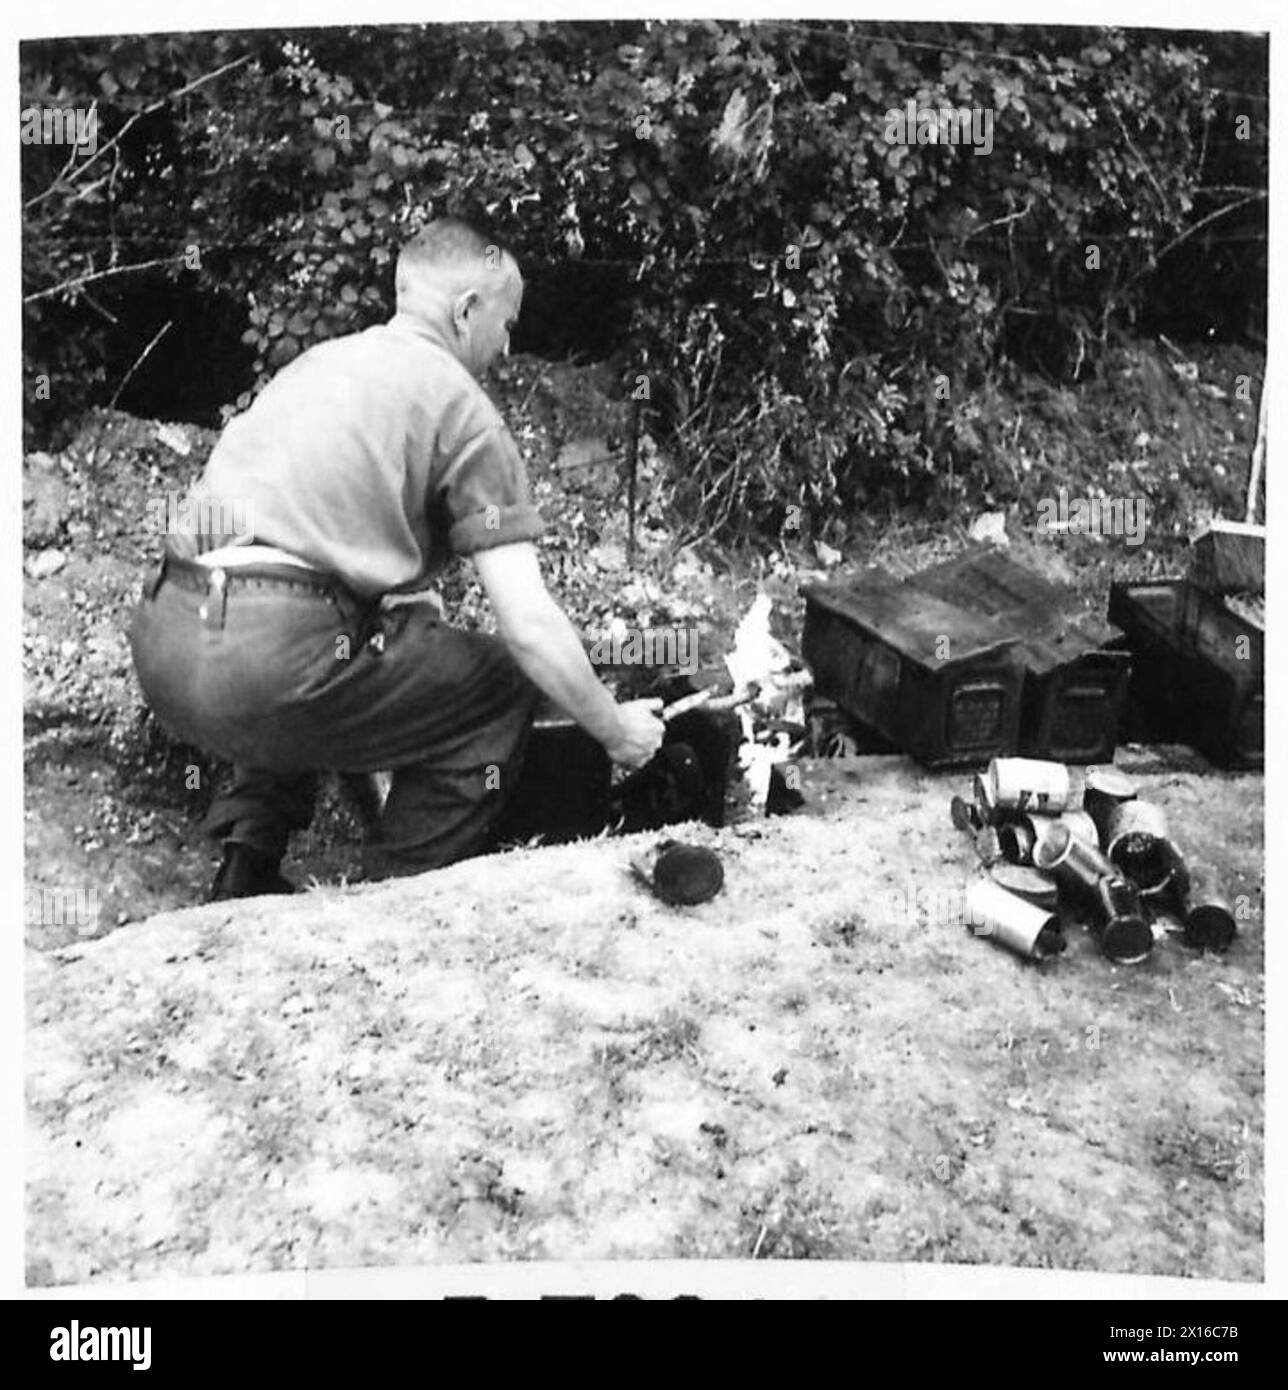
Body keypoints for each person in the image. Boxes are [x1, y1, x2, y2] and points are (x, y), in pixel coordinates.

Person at [129, 218, 665, 900]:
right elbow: (528, 627)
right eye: (506, 323)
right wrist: (616, 731)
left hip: (168, 643)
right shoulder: (463, 411)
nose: (507, 346)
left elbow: (304, 545)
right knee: (501, 682)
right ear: (466, 309)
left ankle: (246, 867)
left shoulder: (321, 365)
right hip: (270, 665)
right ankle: (392, 901)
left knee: (322, 650)